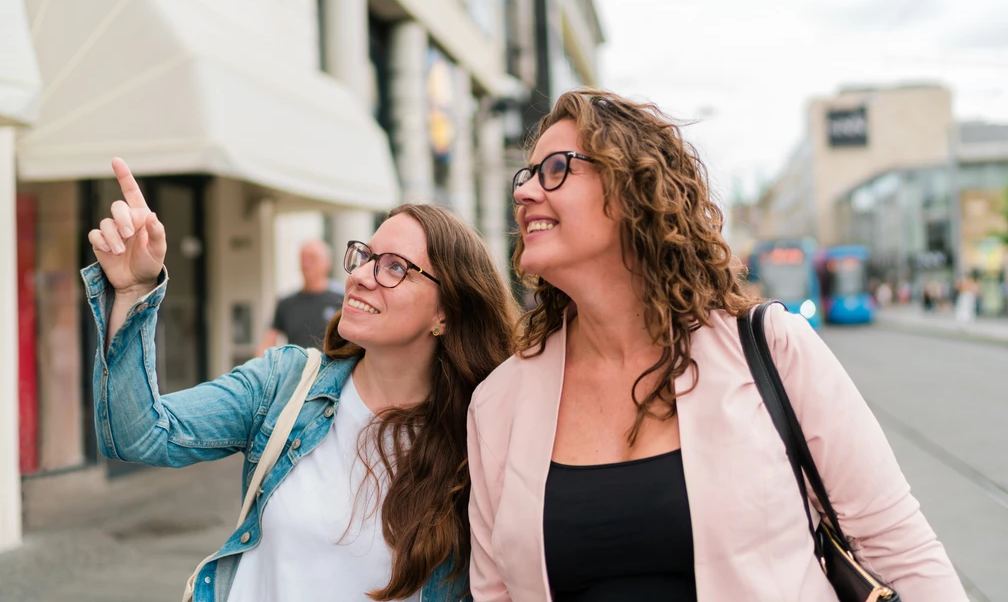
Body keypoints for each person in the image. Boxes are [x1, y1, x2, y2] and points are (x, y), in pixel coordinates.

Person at [466, 90, 967, 601]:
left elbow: (898, 547)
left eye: (555, 168)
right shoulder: (497, 403)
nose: (525, 192)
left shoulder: (770, 346)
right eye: (524, 175)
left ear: (632, 187)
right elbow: (495, 593)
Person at [85, 158, 515, 602]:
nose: (361, 276)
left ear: (445, 312)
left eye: (394, 267)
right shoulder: (284, 384)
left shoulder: (479, 442)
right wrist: (134, 293)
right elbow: (138, 436)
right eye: (365, 256)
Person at [257, 240, 343, 354]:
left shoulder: (341, 301)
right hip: (296, 369)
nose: (306, 264)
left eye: (312, 258)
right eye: (303, 259)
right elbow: (266, 344)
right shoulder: (286, 304)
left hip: (333, 368)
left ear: (328, 263)